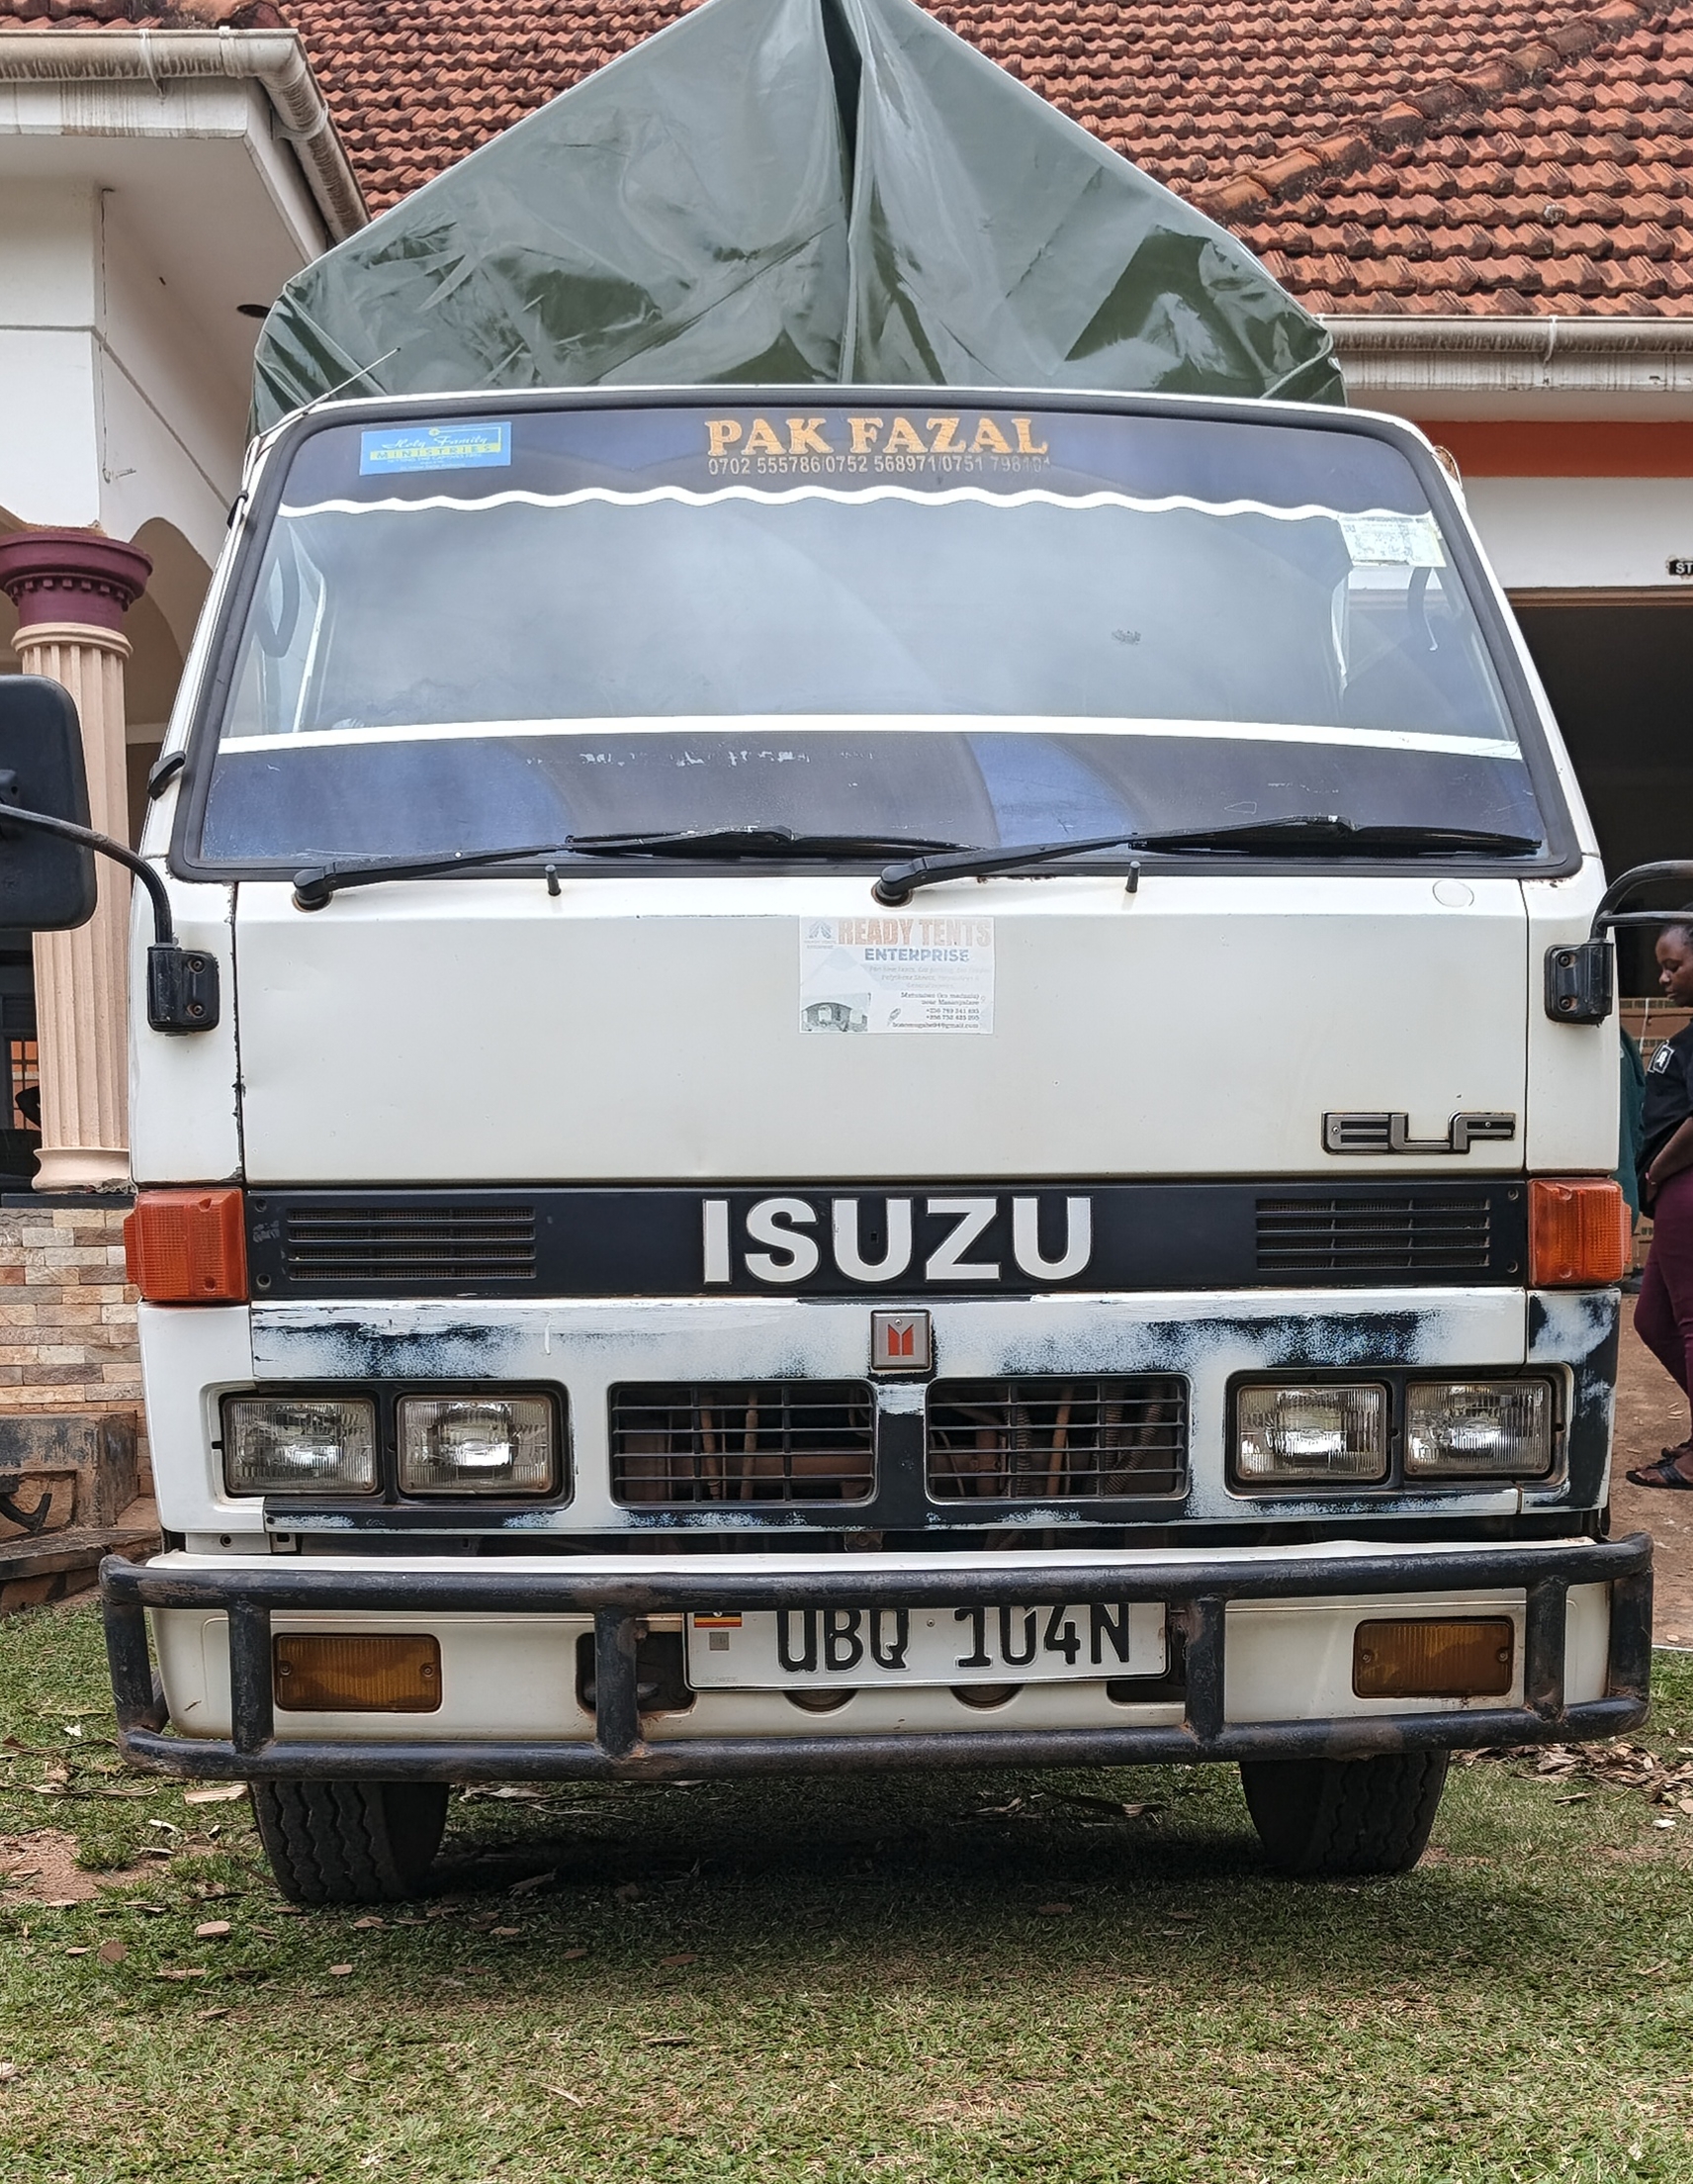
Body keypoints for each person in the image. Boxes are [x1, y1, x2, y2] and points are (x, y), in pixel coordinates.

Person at [1627, 920, 1693, 1487]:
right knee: (1652, 1318)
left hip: (1686, 1185)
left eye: (1674, 966)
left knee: (1691, 1323)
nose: (1663, 978)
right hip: (1673, 1189)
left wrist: (1656, 1168)